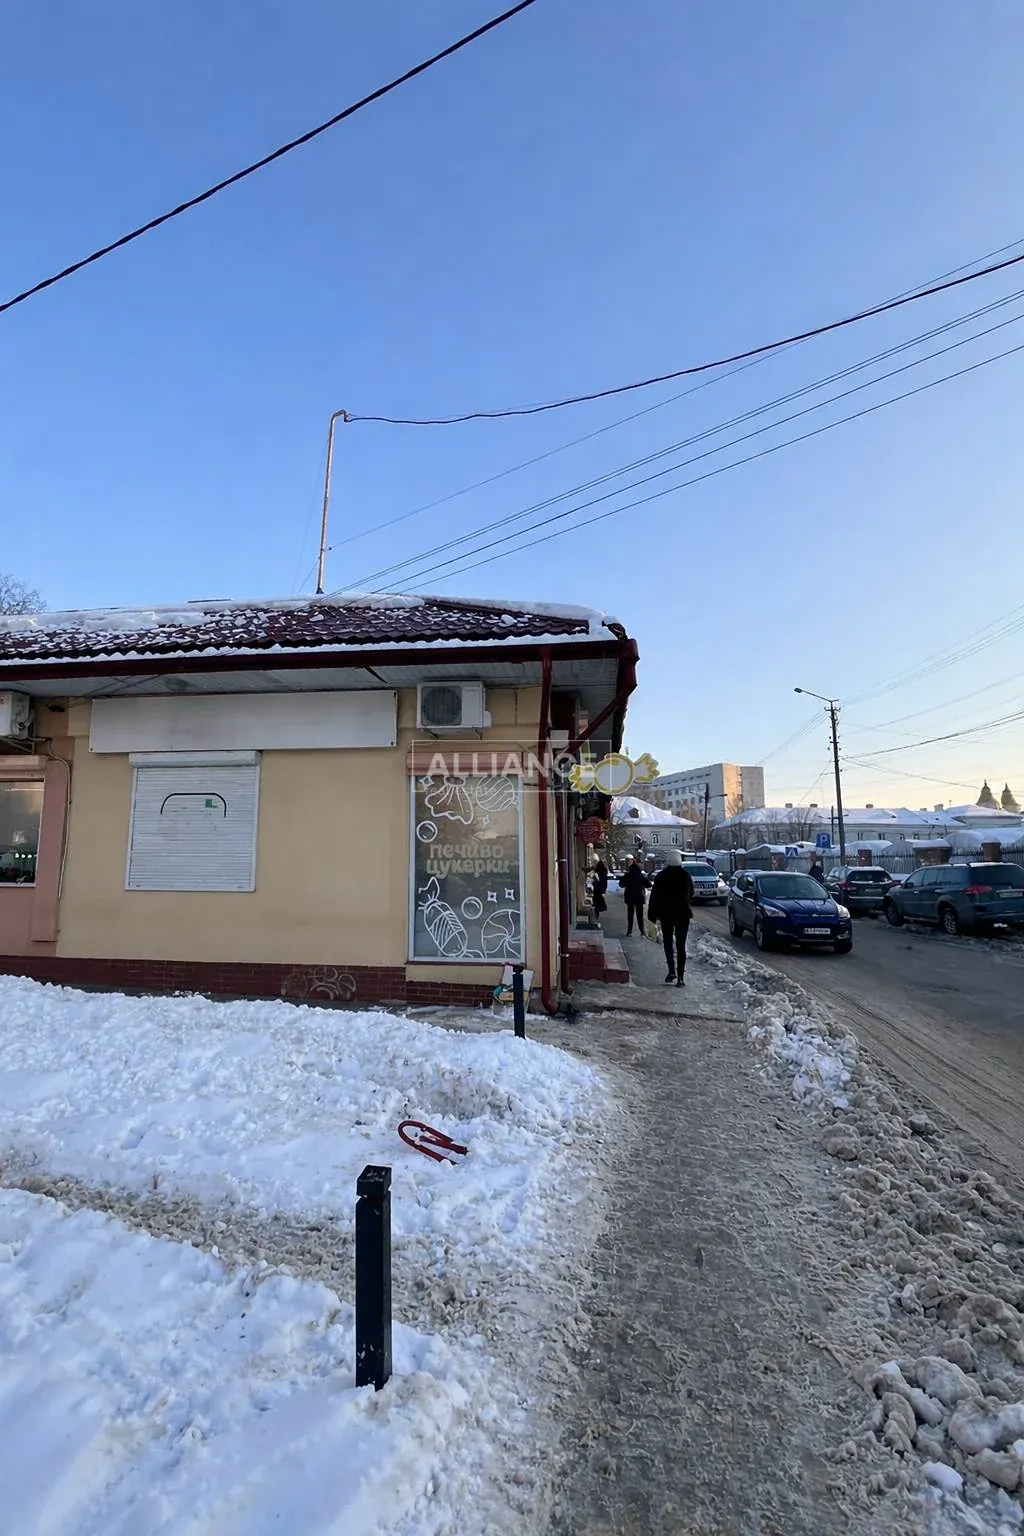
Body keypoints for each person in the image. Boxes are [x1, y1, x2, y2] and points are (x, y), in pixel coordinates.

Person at [647, 849, 694, 986]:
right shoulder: (685, 875)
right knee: (681, 945)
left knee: (668, 943)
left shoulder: (661, 876)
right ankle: (681, 978)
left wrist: (652, 915)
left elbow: (654, 897)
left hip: (666, 915)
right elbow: (692, 893)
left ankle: (671, 970)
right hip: (683, 915)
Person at [618, 856, 651, 936]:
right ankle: (642, 931)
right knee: (640, 915)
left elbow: (621, 885)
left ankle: (629, 931)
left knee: (630, 914)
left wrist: (625, 880)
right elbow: (648, 884)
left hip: (630, 897)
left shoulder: (628, 875)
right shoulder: (640, 875)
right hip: (639, 897)